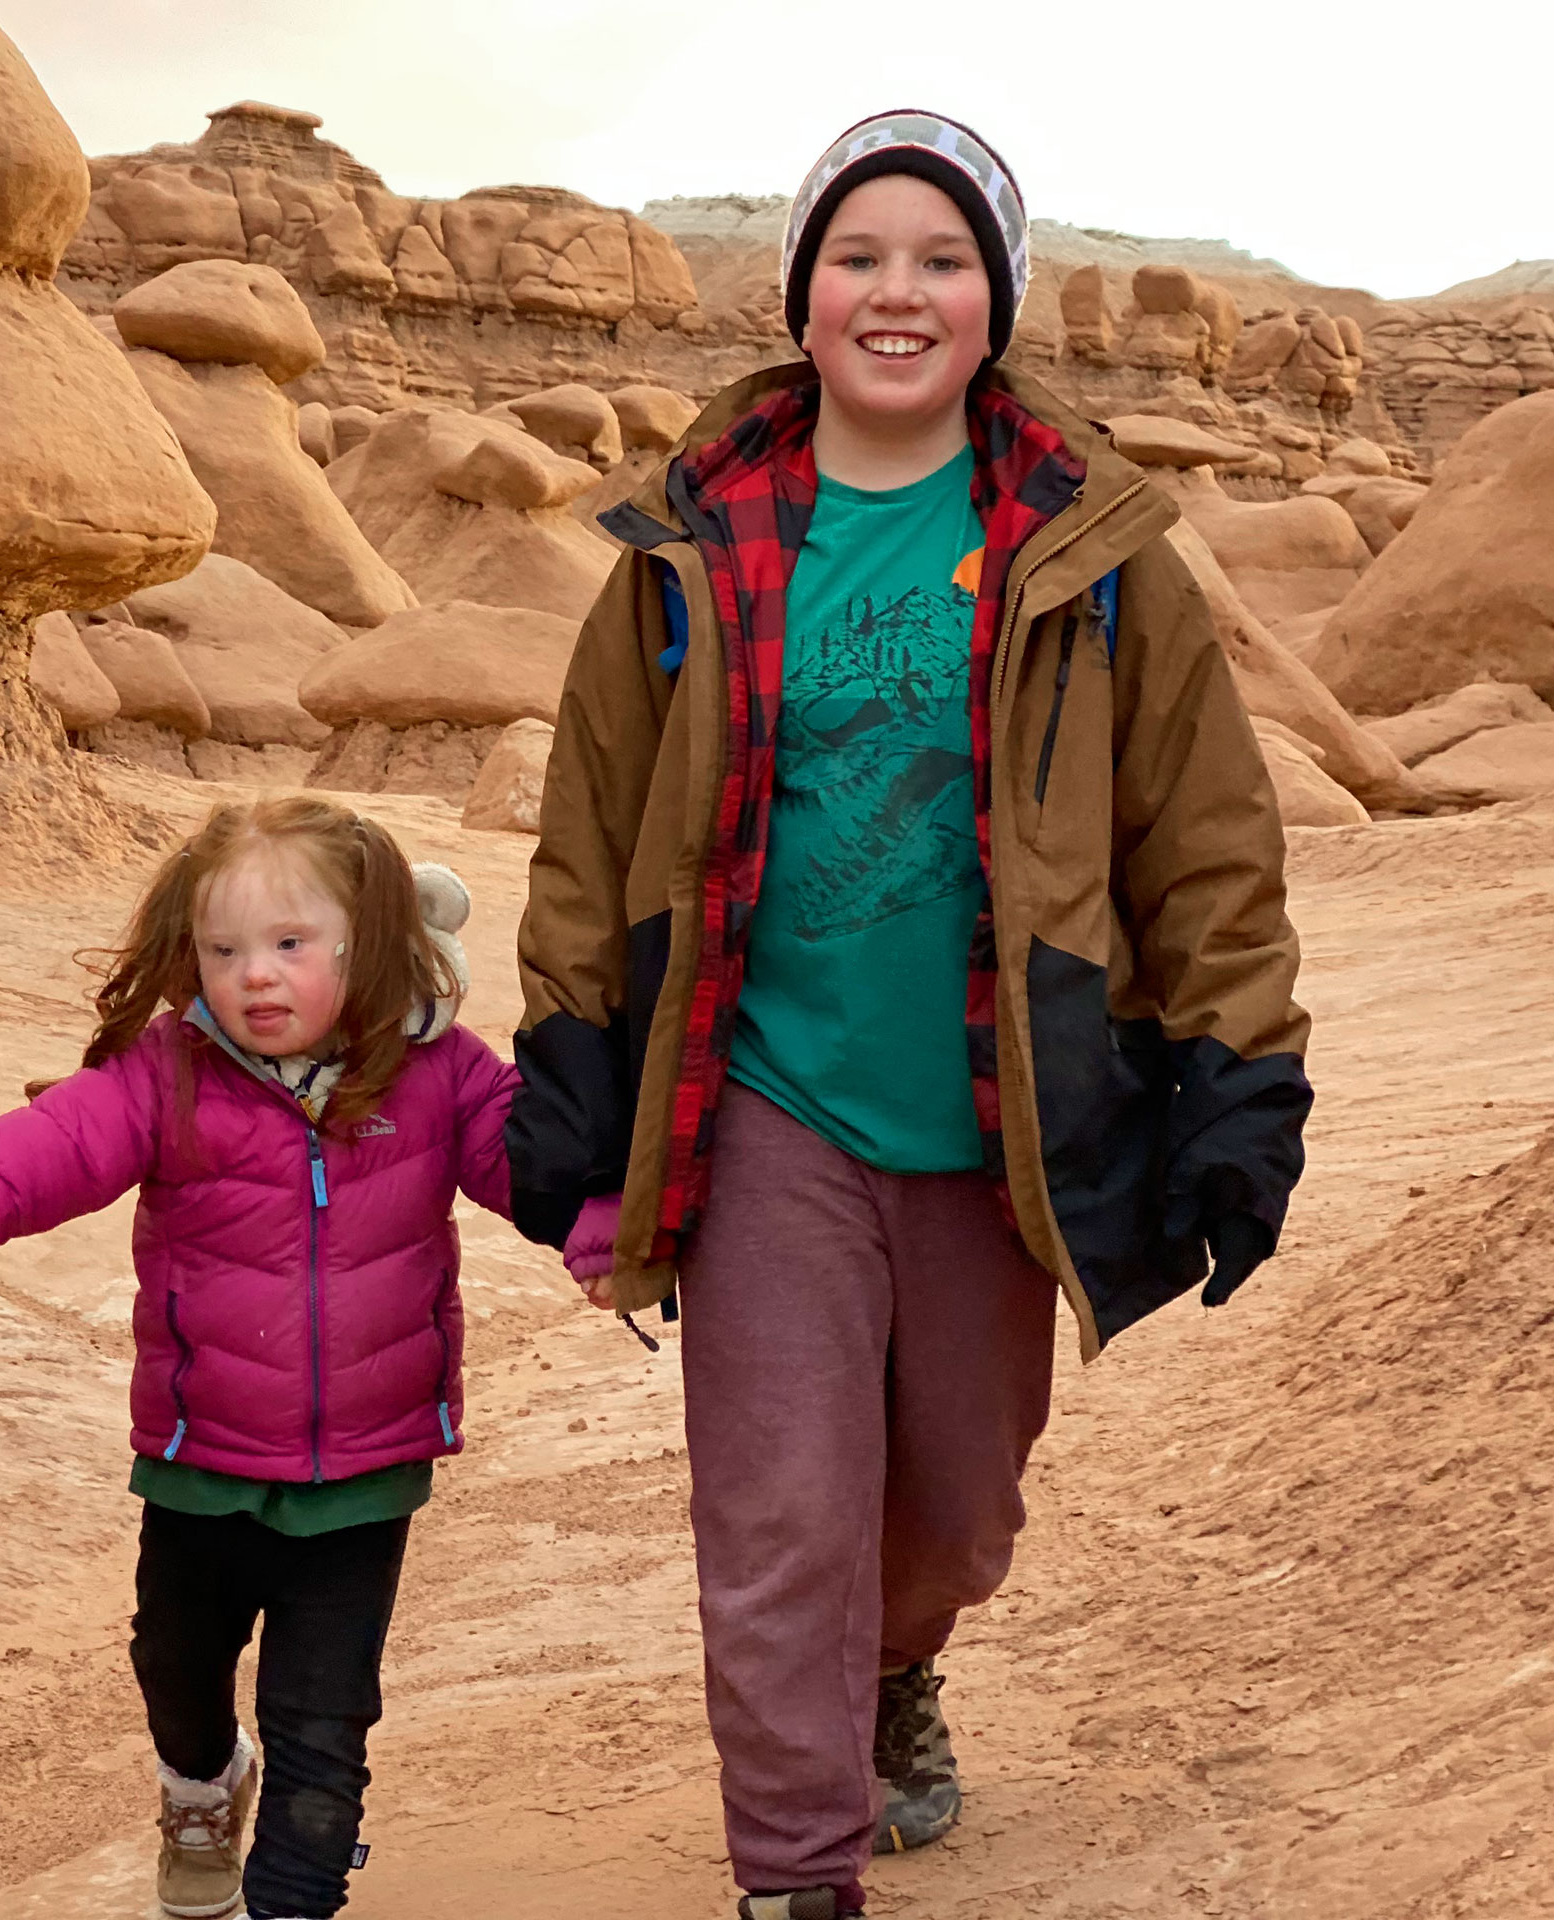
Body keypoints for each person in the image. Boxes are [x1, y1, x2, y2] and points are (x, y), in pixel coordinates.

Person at [506, 111, 1313, 1920]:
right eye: (858, 255)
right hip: (766, 1104)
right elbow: (586, 828)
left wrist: (1242, 1072)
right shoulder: (689, 549)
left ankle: (897, 1666)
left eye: (942, 259)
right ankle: (797, 1875)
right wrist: (567, 1044)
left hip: (997, 1107)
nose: (897, 291)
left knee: (955, 1510)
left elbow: (1206, 838)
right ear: (801, 294)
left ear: (995, 300)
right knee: (779, 1517)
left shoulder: (1094, 558)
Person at [0, 797, 577, 1920]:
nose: (255, 976)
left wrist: (616, 1239)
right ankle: (203, 1788)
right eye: (224, 951)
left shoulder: (440, 1075)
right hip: (200, 1455)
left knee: (328, 1716)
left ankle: (293, 1899)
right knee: (175, 1658)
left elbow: (540, 1176)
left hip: (367, 1473)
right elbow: (27, 1164)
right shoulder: (167, 1076)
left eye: (291, 946)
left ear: (377, 942)